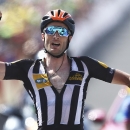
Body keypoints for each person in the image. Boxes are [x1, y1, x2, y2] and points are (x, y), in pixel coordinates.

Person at [0, 9, 130, 130]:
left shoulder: (84, 65)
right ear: (43, 36)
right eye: (50, 30)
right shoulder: (28, 68)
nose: (56, 36)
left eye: (62, 32)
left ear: (70, 38)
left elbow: (126, 79)